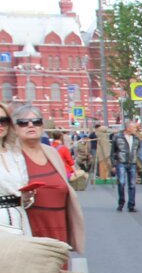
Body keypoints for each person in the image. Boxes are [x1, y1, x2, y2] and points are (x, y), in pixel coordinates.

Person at [9, 105, 85, 251]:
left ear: (42, 126)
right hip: (29, 232)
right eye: (23, 122)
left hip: (58, 231)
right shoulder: (11, 156)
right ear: (15, 128)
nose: (31, 125)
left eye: (36, 122)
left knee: (59, 272)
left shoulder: (52, 153)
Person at [0, 102, 32, 237]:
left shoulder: (16, 156)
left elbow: (23, 189)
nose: (1, 125)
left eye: (4, 121)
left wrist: (27, 197)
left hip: (20, 220)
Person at [110, 118, 142, 212]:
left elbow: (138, 150)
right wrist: (113, 165)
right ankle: (121, 203)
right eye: (134, 127)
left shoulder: (136, 138)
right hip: (121, 163)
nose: (136, 129)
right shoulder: (117, 137)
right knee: (121, 183)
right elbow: (112, 152)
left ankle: (131, 205)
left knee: (132, 185)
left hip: (132, 163)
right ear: (128, 128)